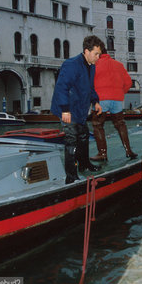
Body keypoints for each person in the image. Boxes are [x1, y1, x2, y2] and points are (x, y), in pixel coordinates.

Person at [51, 35, 104, 184]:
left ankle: (85, 164)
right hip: (67, 108)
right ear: (86, 51)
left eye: (99, 54)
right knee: (71, 139)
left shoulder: (91, 66)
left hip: (80, 108)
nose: (98, 57)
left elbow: (89, 87)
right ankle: (71, 176)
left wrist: (96, 101)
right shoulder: (71, 64)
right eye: (96, 54)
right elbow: (61, 87)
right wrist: (65, 110)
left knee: (84, 135)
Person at [90, 45, 137, 161]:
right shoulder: (118, 65)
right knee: (121, 124)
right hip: (116, 100)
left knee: (98, 125)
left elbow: (88, 83)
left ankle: (102, 153)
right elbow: (128, 82)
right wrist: (120, 92)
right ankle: (128, 151)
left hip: (101, 100)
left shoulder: (94, 65)